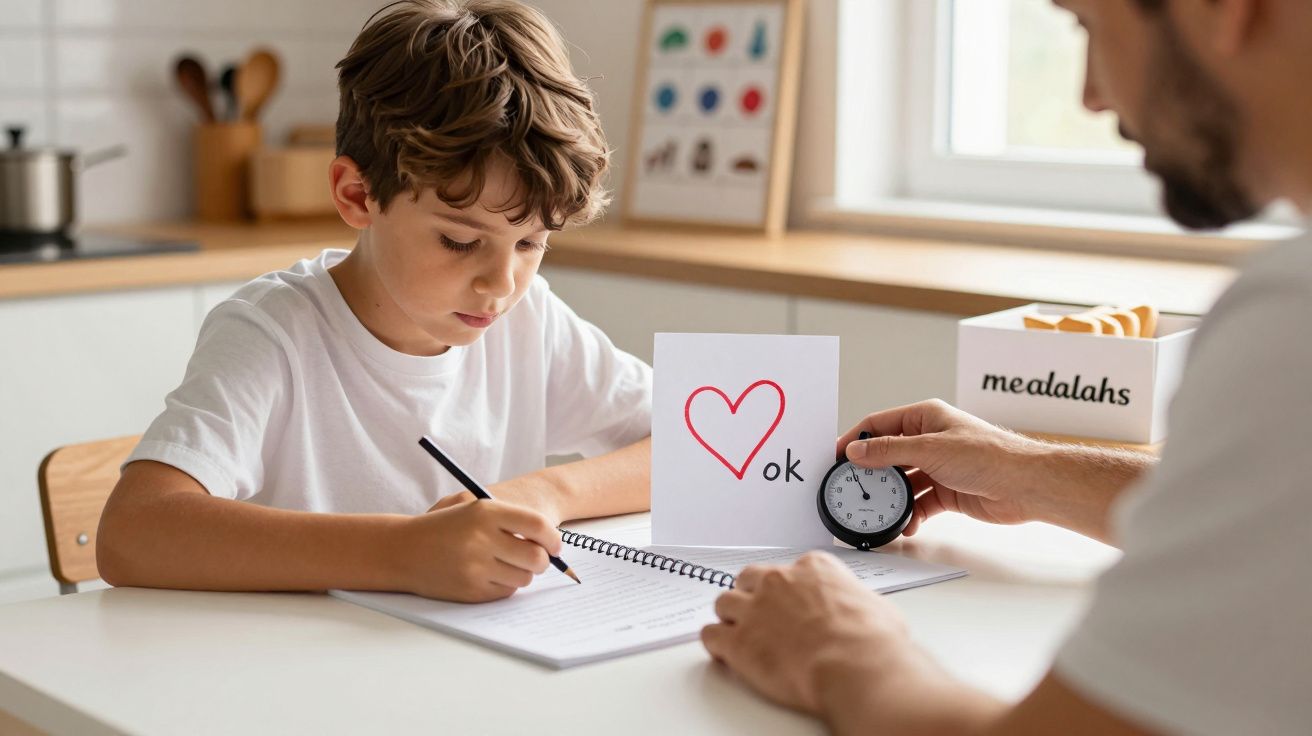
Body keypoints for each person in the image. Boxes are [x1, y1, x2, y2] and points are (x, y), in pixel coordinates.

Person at [701, 0, 1311, 733]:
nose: (1091, 94)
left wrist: (840, 653)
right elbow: (1261, 518)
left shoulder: (1290, 318)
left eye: (1087, 22)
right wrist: (1031, 470)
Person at [96, 0, 653, 604]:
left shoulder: (530, 322)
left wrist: (548, 492)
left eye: (531, 242)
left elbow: (697, 447)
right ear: (358, 195)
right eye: (460, 241)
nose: (501, 283)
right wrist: (405, 554)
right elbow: (132, 532)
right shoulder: (275, 333)